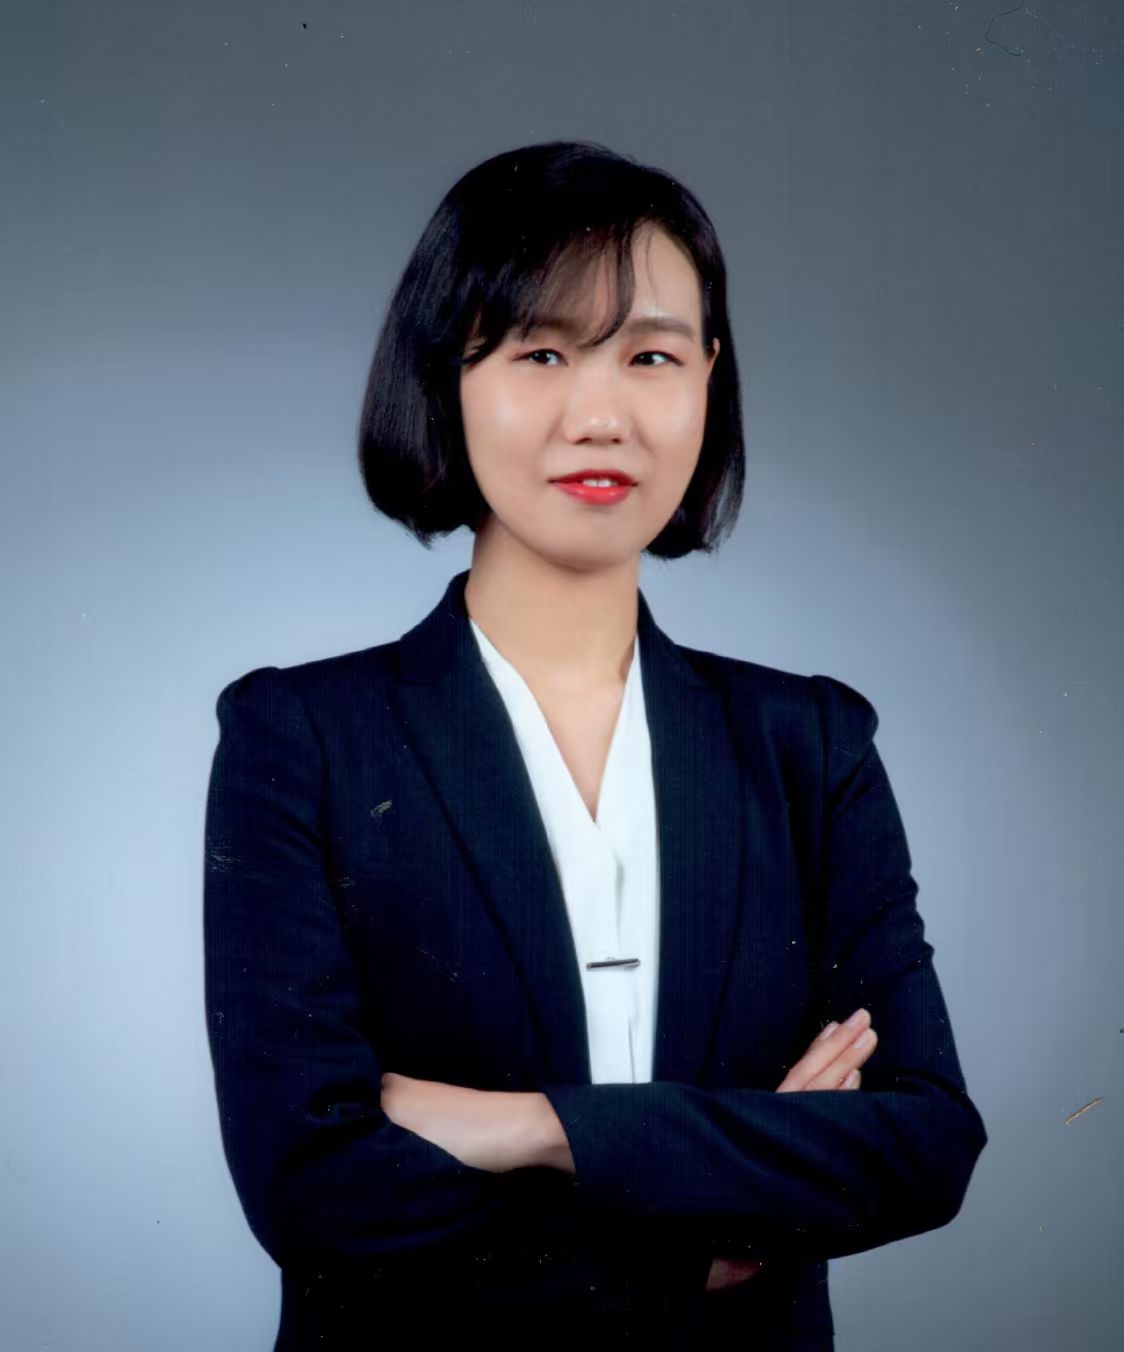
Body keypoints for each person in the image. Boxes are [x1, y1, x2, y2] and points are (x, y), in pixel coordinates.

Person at [203, 139, 988, 1347]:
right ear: (446, 374)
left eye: (651, 355)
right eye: (541, 352)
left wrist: (533, 1126)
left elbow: (922, 1142)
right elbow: (314, 1188)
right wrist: (718, 1201)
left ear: (709, 377)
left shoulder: (808, 743)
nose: (601, 415)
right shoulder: (302, 737)